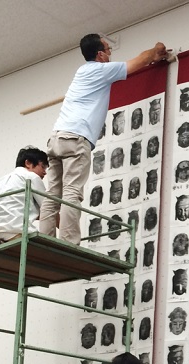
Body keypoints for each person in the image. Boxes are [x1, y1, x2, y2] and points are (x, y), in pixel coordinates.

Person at [39, 34, 168, 244]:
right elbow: (141, 60)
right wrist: (157, 49)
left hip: (56, 138)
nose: (110, 54)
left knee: (53, 194)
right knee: (71, 192)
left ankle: (45, 241)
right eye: (109, 50)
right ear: (100, 54)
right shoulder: (101, 70)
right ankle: (68, 243)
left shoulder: (81, 71)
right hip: (75, 138)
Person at [0, 147, 48, 245]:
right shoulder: (31, 177)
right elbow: (49, 210)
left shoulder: (1, 180)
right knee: (53, 250)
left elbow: (14, 207)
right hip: (16, 231)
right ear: (28, 163)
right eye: (43, 166)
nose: (45, 172)